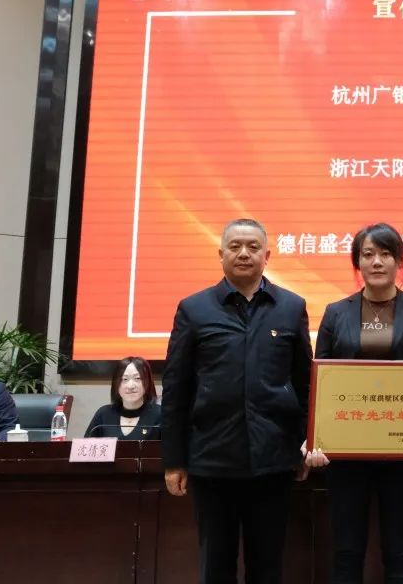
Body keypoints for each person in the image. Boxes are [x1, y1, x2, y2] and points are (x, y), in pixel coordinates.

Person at [161, 218, 313, 584]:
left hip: (273, 459)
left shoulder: (291, 307)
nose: (244, 253)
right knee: (216, 566)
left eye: (253, 247)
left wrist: (304, 444)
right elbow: (177, 388)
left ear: (267, 256)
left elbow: (305, 383)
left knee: (267, 566)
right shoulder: (194, 309)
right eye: (235, 246)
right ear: (221, 254)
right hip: (212, 460)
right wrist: (174, 460)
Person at [304, 222, 403, 584]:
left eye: (385, 254)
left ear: (399, 261)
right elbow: (321, 380)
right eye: (368, 254)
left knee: (399, 552)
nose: (377, 262)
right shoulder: (336, 312)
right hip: (346, 452)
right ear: (357, 262)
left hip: (402, 452)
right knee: (346, 552)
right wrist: (315, 437)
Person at [85, 356, 161, 440]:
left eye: (137, 378)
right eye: (124, 379)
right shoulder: (103, 414)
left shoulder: (160, 414)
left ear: (148, 381)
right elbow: (86, 446)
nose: (130, 386)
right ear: (116, 384)